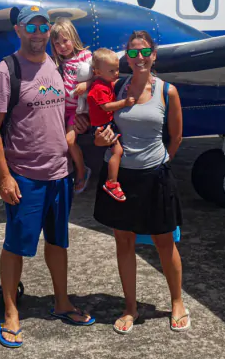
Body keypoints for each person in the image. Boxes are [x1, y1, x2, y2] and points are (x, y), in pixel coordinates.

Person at [0, 5, 94, 349]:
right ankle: (11, 312)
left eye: (42, 27)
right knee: (16, 245)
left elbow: (64, 115)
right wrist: (4, 176)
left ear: (49, 31)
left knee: (58, 243)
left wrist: (77, 134)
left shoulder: (56, 67)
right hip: (25, 176)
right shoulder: (4, 72)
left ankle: (61, 302)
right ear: (17, 31)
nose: (37, 33)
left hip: (59, 174)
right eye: (30, 27)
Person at [92, 30, 190, 335]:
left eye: (144, 52)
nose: (139, 58)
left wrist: (162, 162)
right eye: (132, 53)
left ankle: (177, 302)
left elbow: (176, 136)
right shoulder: (117, 87)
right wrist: (99, 139)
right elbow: (101, 123)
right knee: (124, 241)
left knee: (164, 241)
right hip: (121, 177)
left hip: (155, 176)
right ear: (127, 58)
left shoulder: (166, 91)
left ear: (154, 55)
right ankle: (130, 307)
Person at [49, 18, 92, 190]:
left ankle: (82, 171)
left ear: (73, 38)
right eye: (57, 43)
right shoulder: (58, 63)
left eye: (65, 41)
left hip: (77, 110)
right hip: (62, 110)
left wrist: (87, 85)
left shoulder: (85, 57)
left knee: (69, 140)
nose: (62, 46)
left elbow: (98, 77)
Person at [87, 48, 135, 202]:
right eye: (111, 71)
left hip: (106, 123)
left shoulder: (105, 83)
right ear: (98, 72)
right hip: (103, 126)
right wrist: (124, 103)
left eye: (117, 69)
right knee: (117, 151)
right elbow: (106, 106)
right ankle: (112, 182)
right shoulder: (99, 88)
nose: (116, 74)